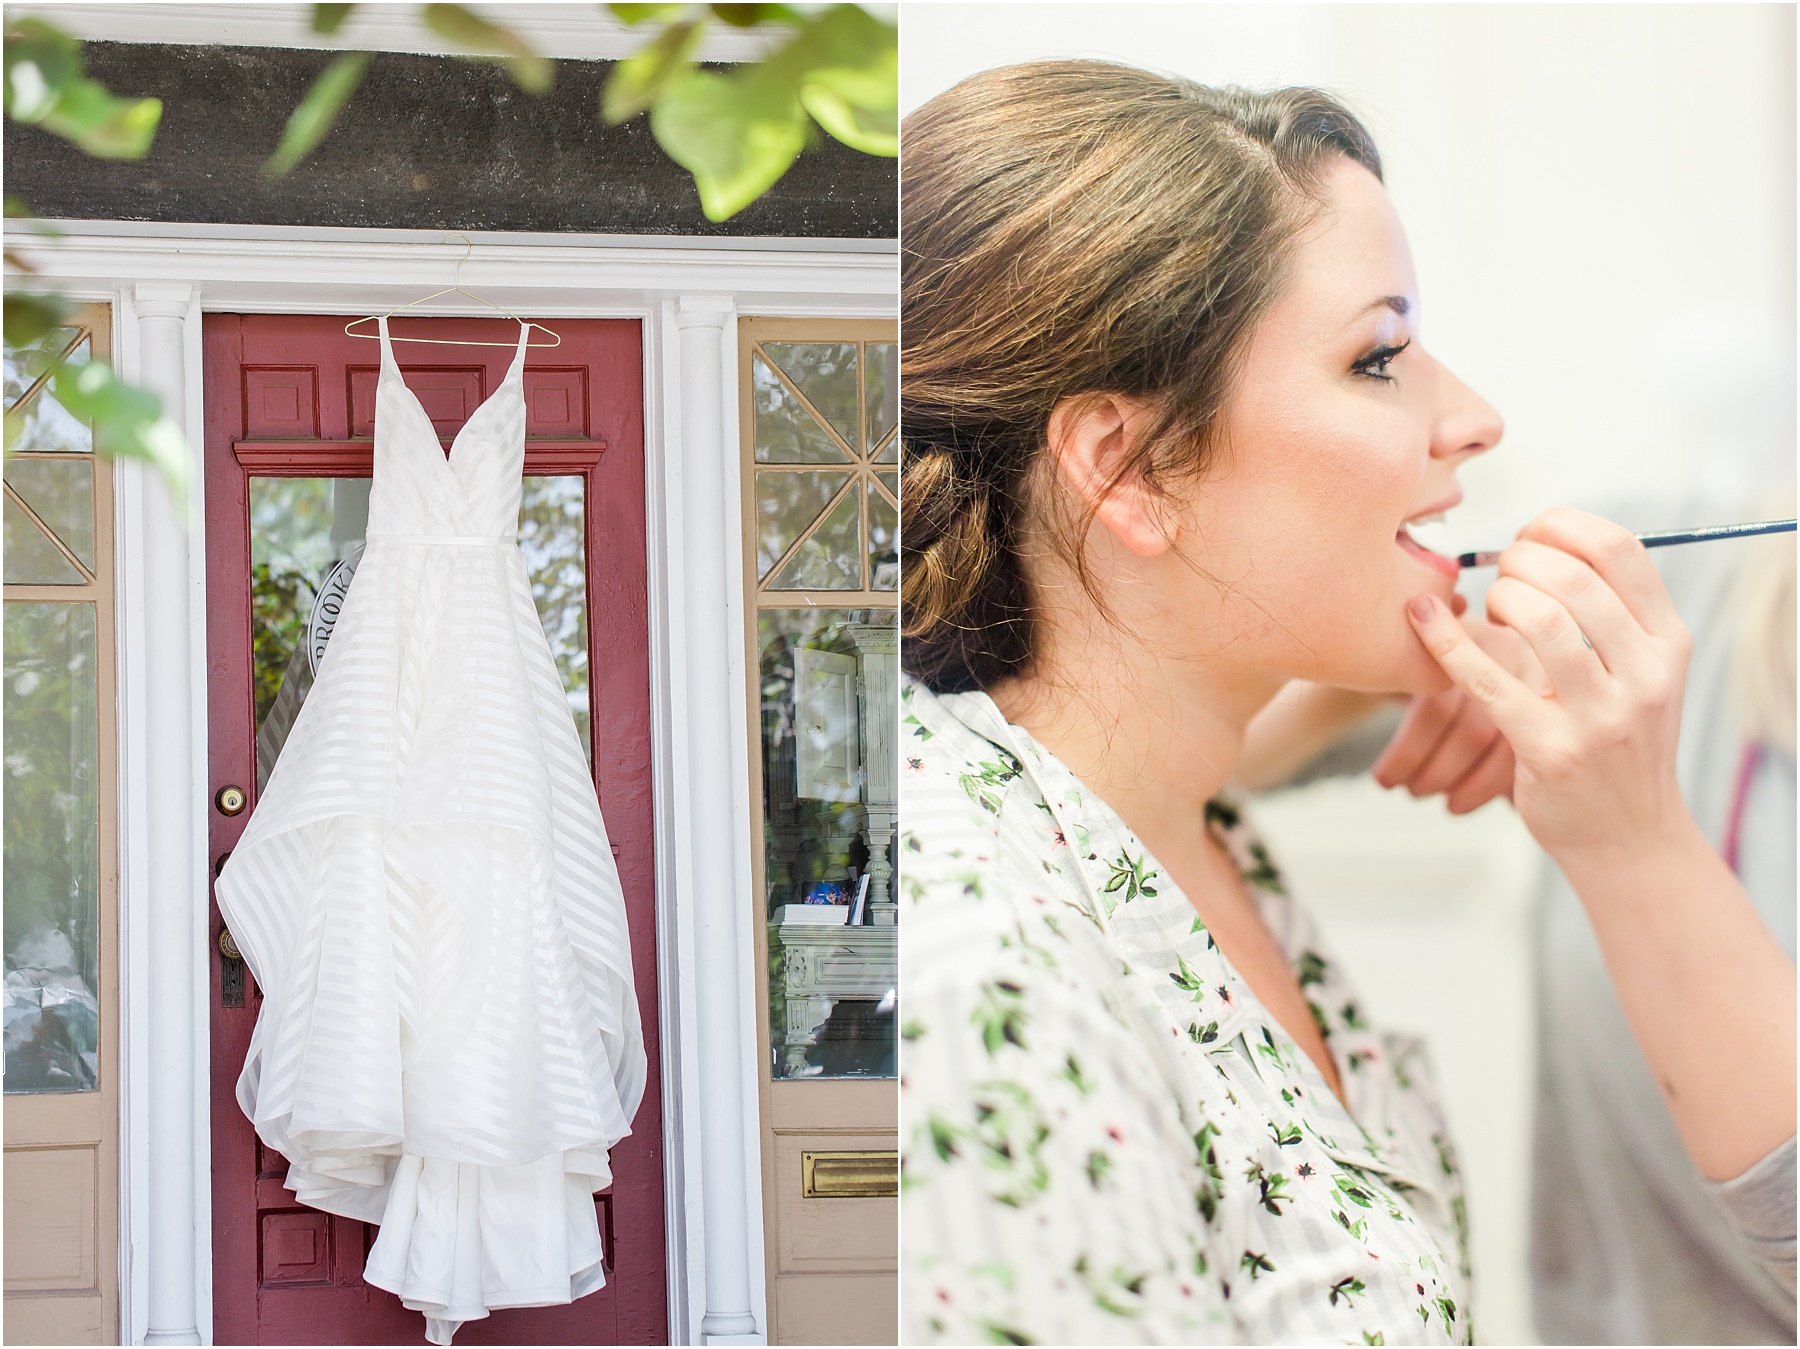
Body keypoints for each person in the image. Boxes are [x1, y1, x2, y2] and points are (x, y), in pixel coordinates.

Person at [897, 59, 1796, 1346]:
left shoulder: (1204, 850)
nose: (1477, 420)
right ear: (1129, 471)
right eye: (1381, 357)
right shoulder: (978, 980)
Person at [1268, 495, 1796, 1343]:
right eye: (1372, 367)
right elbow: (1181, 736)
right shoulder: (1672, 572)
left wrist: (1634, 840)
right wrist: (1360, 671)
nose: (1475, 418)